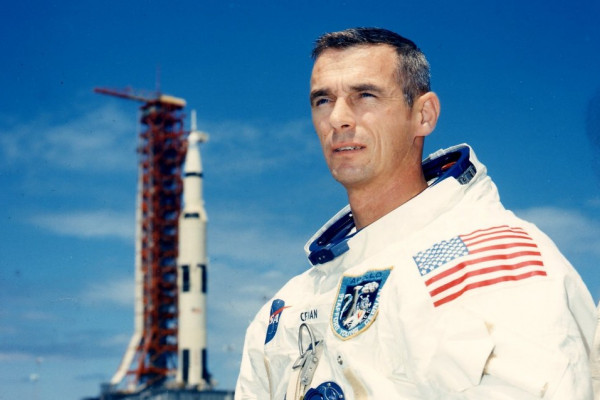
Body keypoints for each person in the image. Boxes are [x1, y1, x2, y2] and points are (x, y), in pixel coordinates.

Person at [235, 27, 597, 399]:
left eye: (365, 95)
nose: (338, 119)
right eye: (323, 100)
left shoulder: (501, 264)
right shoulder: (285, 310)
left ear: (423, 115)